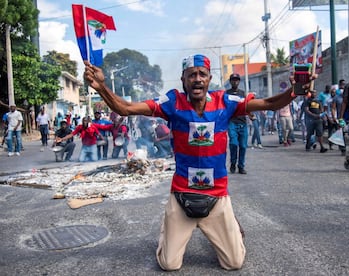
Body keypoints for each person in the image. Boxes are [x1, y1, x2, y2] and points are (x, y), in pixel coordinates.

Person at [83, 54, 316, 271]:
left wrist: (295, 91)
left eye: (202, 74)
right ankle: (169, 228)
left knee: (234, 263)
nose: (197, 79)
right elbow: (125, 108)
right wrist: (101, 86)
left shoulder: (226, 101)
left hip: (216, 197)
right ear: (183, 80)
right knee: (169, 264)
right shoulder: (172, 102)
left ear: (209, 79)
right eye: (191, 74)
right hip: (182, 195)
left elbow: (269, 104)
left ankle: (230, 225)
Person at [226, 73, 248, 174]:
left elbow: (247, 106)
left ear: (239, 81)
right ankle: (233, 163)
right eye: (233, 80)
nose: (235, 81)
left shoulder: (243, 93)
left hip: (243, 122)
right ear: (230, 81)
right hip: (232, 122)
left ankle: (241, 166)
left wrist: (251, 115)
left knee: (243, 146)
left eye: (237, 80)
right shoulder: (226, 94)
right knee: (233, 144)